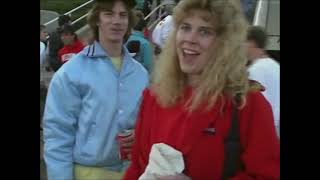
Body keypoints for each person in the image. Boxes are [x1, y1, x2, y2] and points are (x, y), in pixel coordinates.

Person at [124, 0, 280, 179]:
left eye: (204, 31)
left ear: (225, 43)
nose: (190, 39)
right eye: (185, 27)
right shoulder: (155, 97)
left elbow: (267, 175)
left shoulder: (249, 105)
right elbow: (137, 168)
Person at [43, 0, 149, 179]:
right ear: (97, 19)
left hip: (132, 173)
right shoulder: (72, 72)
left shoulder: (141, 74)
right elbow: (58, 134)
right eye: (109, 14)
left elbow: (148, 123)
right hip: (86, 173)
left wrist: (141, 134)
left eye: (123, 15)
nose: (116, 21)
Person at [246, 26, 280, 137]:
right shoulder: (275, 65)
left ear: (252, 43)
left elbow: (259, 109)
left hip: (268, 130)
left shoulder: (255, 70)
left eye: (244, 42)